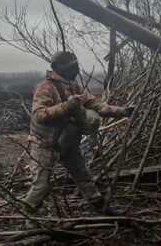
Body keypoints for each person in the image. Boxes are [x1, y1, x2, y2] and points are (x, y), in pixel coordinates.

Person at [23, 51, 133, 219]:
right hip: (44, 145)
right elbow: (39, 115)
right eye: (72, 66)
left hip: (68, 144)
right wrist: (66, 106)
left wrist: (123, 111)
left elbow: (98, 106)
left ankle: (102, 208)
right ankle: (28, 217)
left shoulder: (74, 87)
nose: (76, 69)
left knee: (83, 177)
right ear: (62, 69)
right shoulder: (45, 87)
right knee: (41, 186)